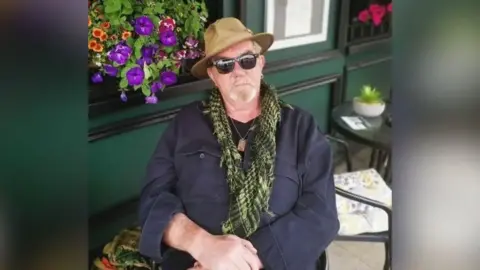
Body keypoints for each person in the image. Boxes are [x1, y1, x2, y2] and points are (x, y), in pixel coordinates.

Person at [138, 17, 339, 270]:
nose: (238, 71)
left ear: (261, 63)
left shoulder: (300, 127)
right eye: (224, 65)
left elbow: (321, 214)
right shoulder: (186, 123)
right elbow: (153, 198)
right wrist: (203, 245)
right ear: (213, 75)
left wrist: (238, 263)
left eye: (247, 60)